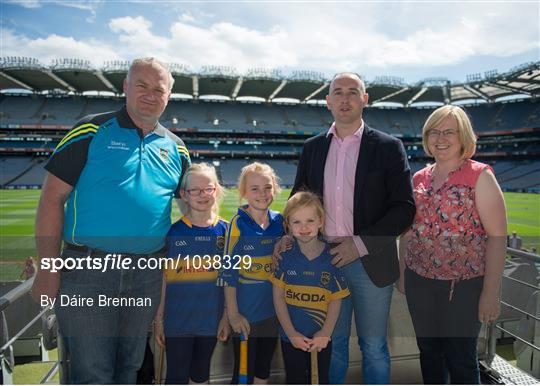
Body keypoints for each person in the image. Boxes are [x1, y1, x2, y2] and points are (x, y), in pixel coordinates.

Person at [31, 57, 191, 384]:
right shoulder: (91, 129)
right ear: (126, 87)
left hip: (147, 272)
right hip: (88, 271)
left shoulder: (177, 148)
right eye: (141, 85)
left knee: (129, 367)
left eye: (158, 89)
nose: (149, 94)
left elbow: (193, 209)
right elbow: (51, 198)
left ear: (168, 96)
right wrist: (47, 269)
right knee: (92, 372)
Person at [290, 72, 415, 384]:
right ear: (328, 101)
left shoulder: (389, 147)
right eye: (338, 92)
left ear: (365, 99)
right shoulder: (313, 148)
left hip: (370, 261)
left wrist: (358, 244)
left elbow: (404, 208)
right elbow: (297, 201)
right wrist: (285, 237)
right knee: (332, 343)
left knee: (373, 346)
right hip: (324, 261)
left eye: (352, 91)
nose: (344, 98)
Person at [398, 105, 507, 384]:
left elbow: (497, 237)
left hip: (463, 287)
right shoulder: (419, 177)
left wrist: (491, 292)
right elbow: (408, 231)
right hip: (420, 280)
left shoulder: (480, 176)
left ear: (463, 137)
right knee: (429, 353)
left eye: (449, 131)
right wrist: (403, 272)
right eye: (434, 131)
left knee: (460, 358)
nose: (440, 137)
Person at [154, 163, 230, 384]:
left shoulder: (226, 231)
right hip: (178, 322)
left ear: (216, 190)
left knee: (201, 374)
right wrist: (159, 320)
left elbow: (229, 281)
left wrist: (226, 316)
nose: (202, 195)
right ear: (184, 195)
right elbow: (164, 279)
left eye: (208, 188)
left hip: (211, 321)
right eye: (195, 190)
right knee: (176, 376)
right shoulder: (173, 233)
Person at [271, 191, 349, 384]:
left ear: (321, 221)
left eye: (310, 221)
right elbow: (278, 298)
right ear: (287, 225)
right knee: (295, 380)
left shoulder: (332, 258)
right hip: (291, 338)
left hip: (321, 340)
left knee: (320, 380)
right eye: (296, 222)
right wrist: (291, 333)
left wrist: (325, 333)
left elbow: (335, 300)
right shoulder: (285, 257)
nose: (304, 227)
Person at [217, 162, 285, 384]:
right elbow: (228, 272)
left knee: (263, 372)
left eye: (267, 187)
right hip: (245, 316)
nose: (262, 193)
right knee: (243, 374)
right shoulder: (237, 224)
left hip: (272, 314)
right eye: (254, 188)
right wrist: (233, 314)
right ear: (244, 192)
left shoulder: (280, 223)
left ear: (274, 188)